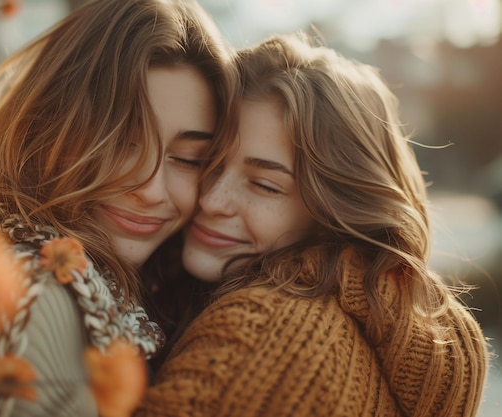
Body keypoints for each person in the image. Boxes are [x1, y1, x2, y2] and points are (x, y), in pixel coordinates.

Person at [0, 0, 237, 416]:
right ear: (51, 126)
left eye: (188, 159)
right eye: (120, 144)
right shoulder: (33, 297)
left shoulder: (115, 289)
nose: (150, 190)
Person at [138, 33, 489, 417]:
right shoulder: (339, 314)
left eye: (264, 185)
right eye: (208, 162)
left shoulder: (261, 348)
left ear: (332, 213)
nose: (211, 200)